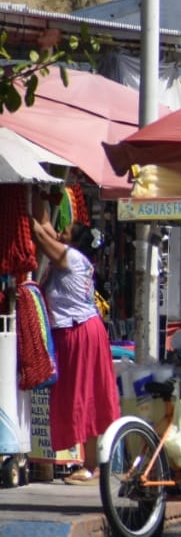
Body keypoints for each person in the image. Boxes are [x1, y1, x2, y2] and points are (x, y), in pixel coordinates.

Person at [29, 190, 120, 484]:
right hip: (81, 331)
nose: (59, 232)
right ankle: (91, 466)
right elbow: (45, 228)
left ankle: (90, 466)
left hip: (79, 332)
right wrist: (39, 195)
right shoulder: (69, 257)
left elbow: (41, 236)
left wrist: (18, 199)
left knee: (85, 396)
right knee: (85, 395)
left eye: (64, 231)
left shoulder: (72, 257)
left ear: (72, 242)